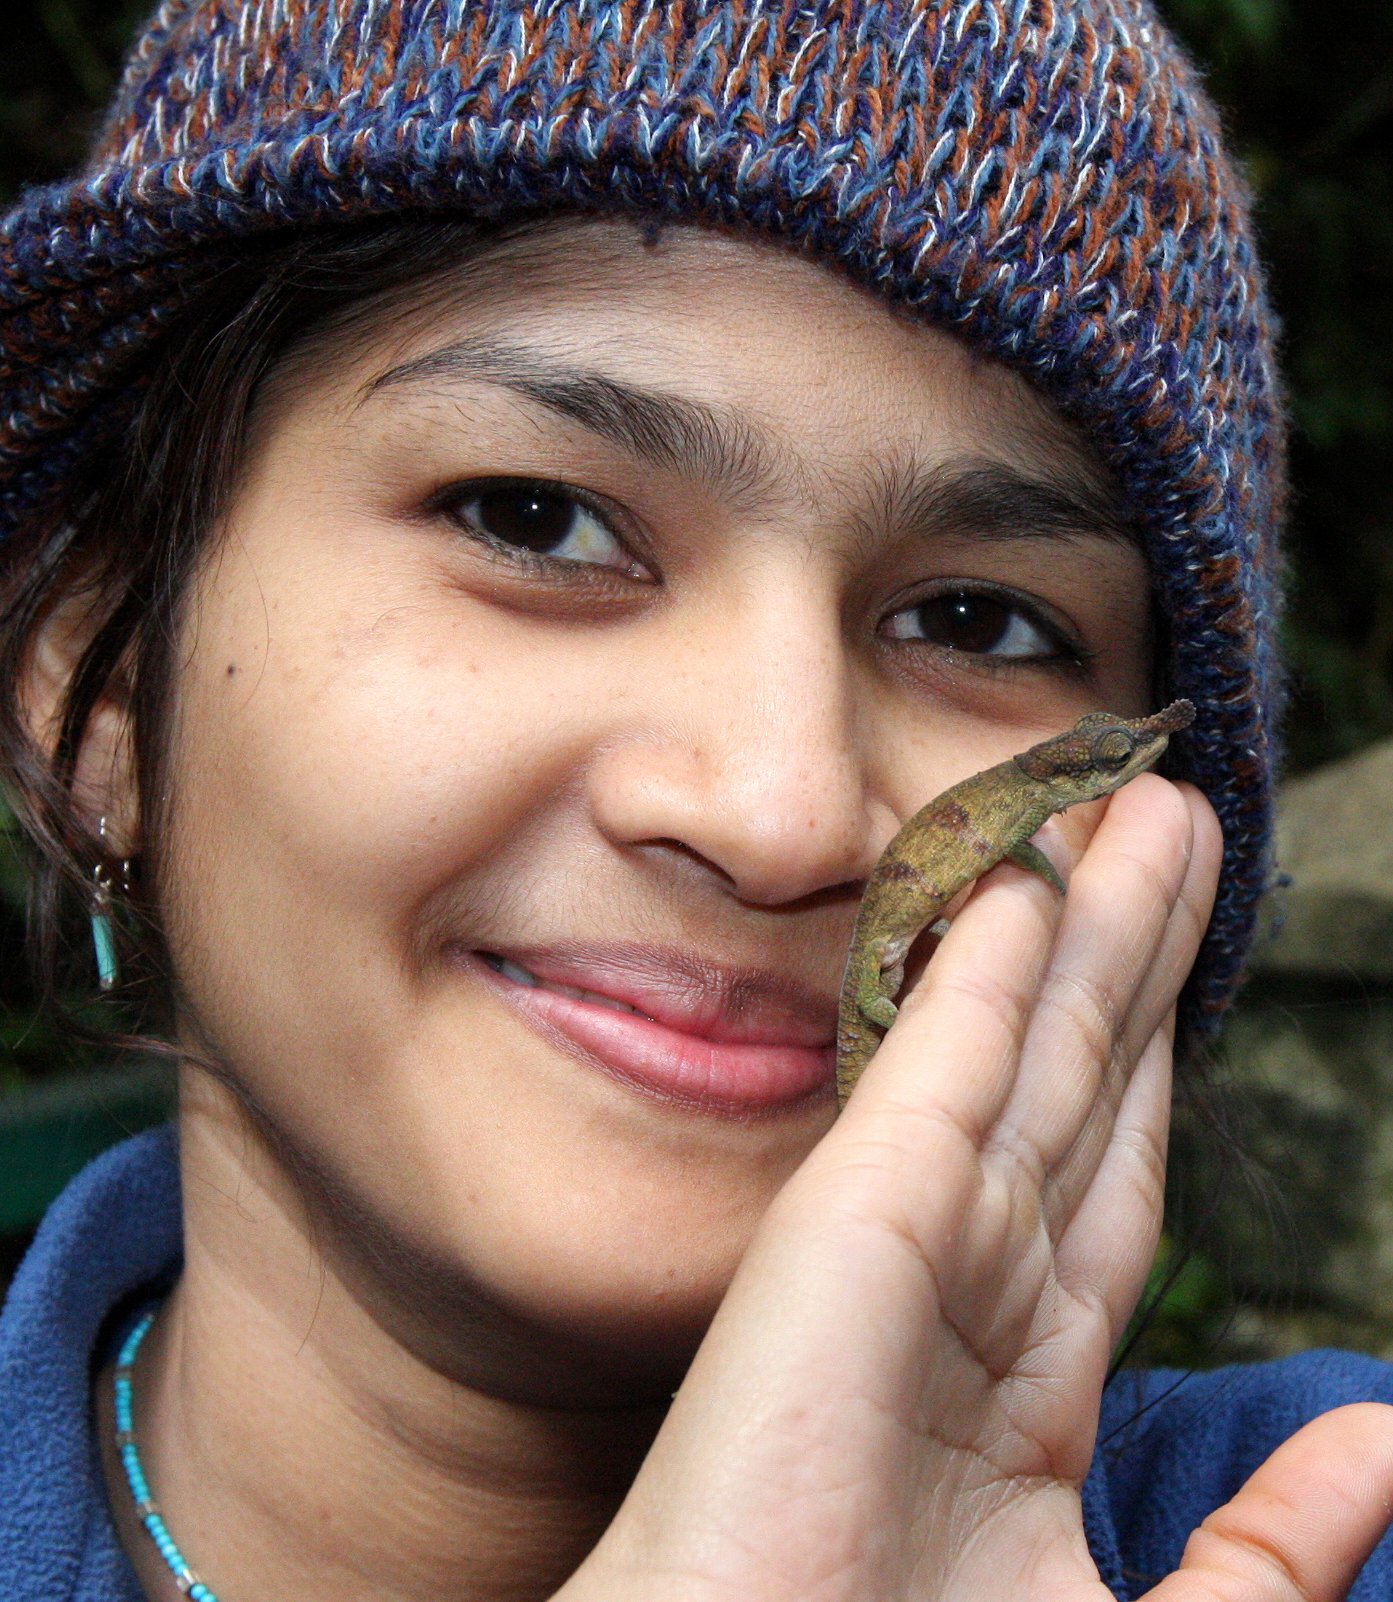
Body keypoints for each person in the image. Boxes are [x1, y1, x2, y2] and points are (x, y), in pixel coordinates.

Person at [2, 1, 1392, 1599]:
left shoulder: (1325, 1518)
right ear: (98, 691)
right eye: (539, 517)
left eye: (975, 621)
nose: (777, 810)